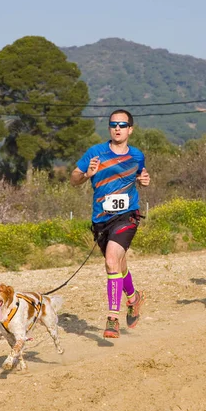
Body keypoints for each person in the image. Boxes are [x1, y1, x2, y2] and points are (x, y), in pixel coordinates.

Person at [70, 109, 150, 338]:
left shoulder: (136, 155)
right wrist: (87, 174)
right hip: (101, 220)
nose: (118, 128)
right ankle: (134, 298)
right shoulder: (95, 152)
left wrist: (144, 181)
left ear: (130, 129)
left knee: (111, 260)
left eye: (122, 125)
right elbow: (73, 179)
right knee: (118, 265)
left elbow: (141, 176)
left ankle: (112, 318)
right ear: (109, 128)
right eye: (114, 124)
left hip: (127, 216)